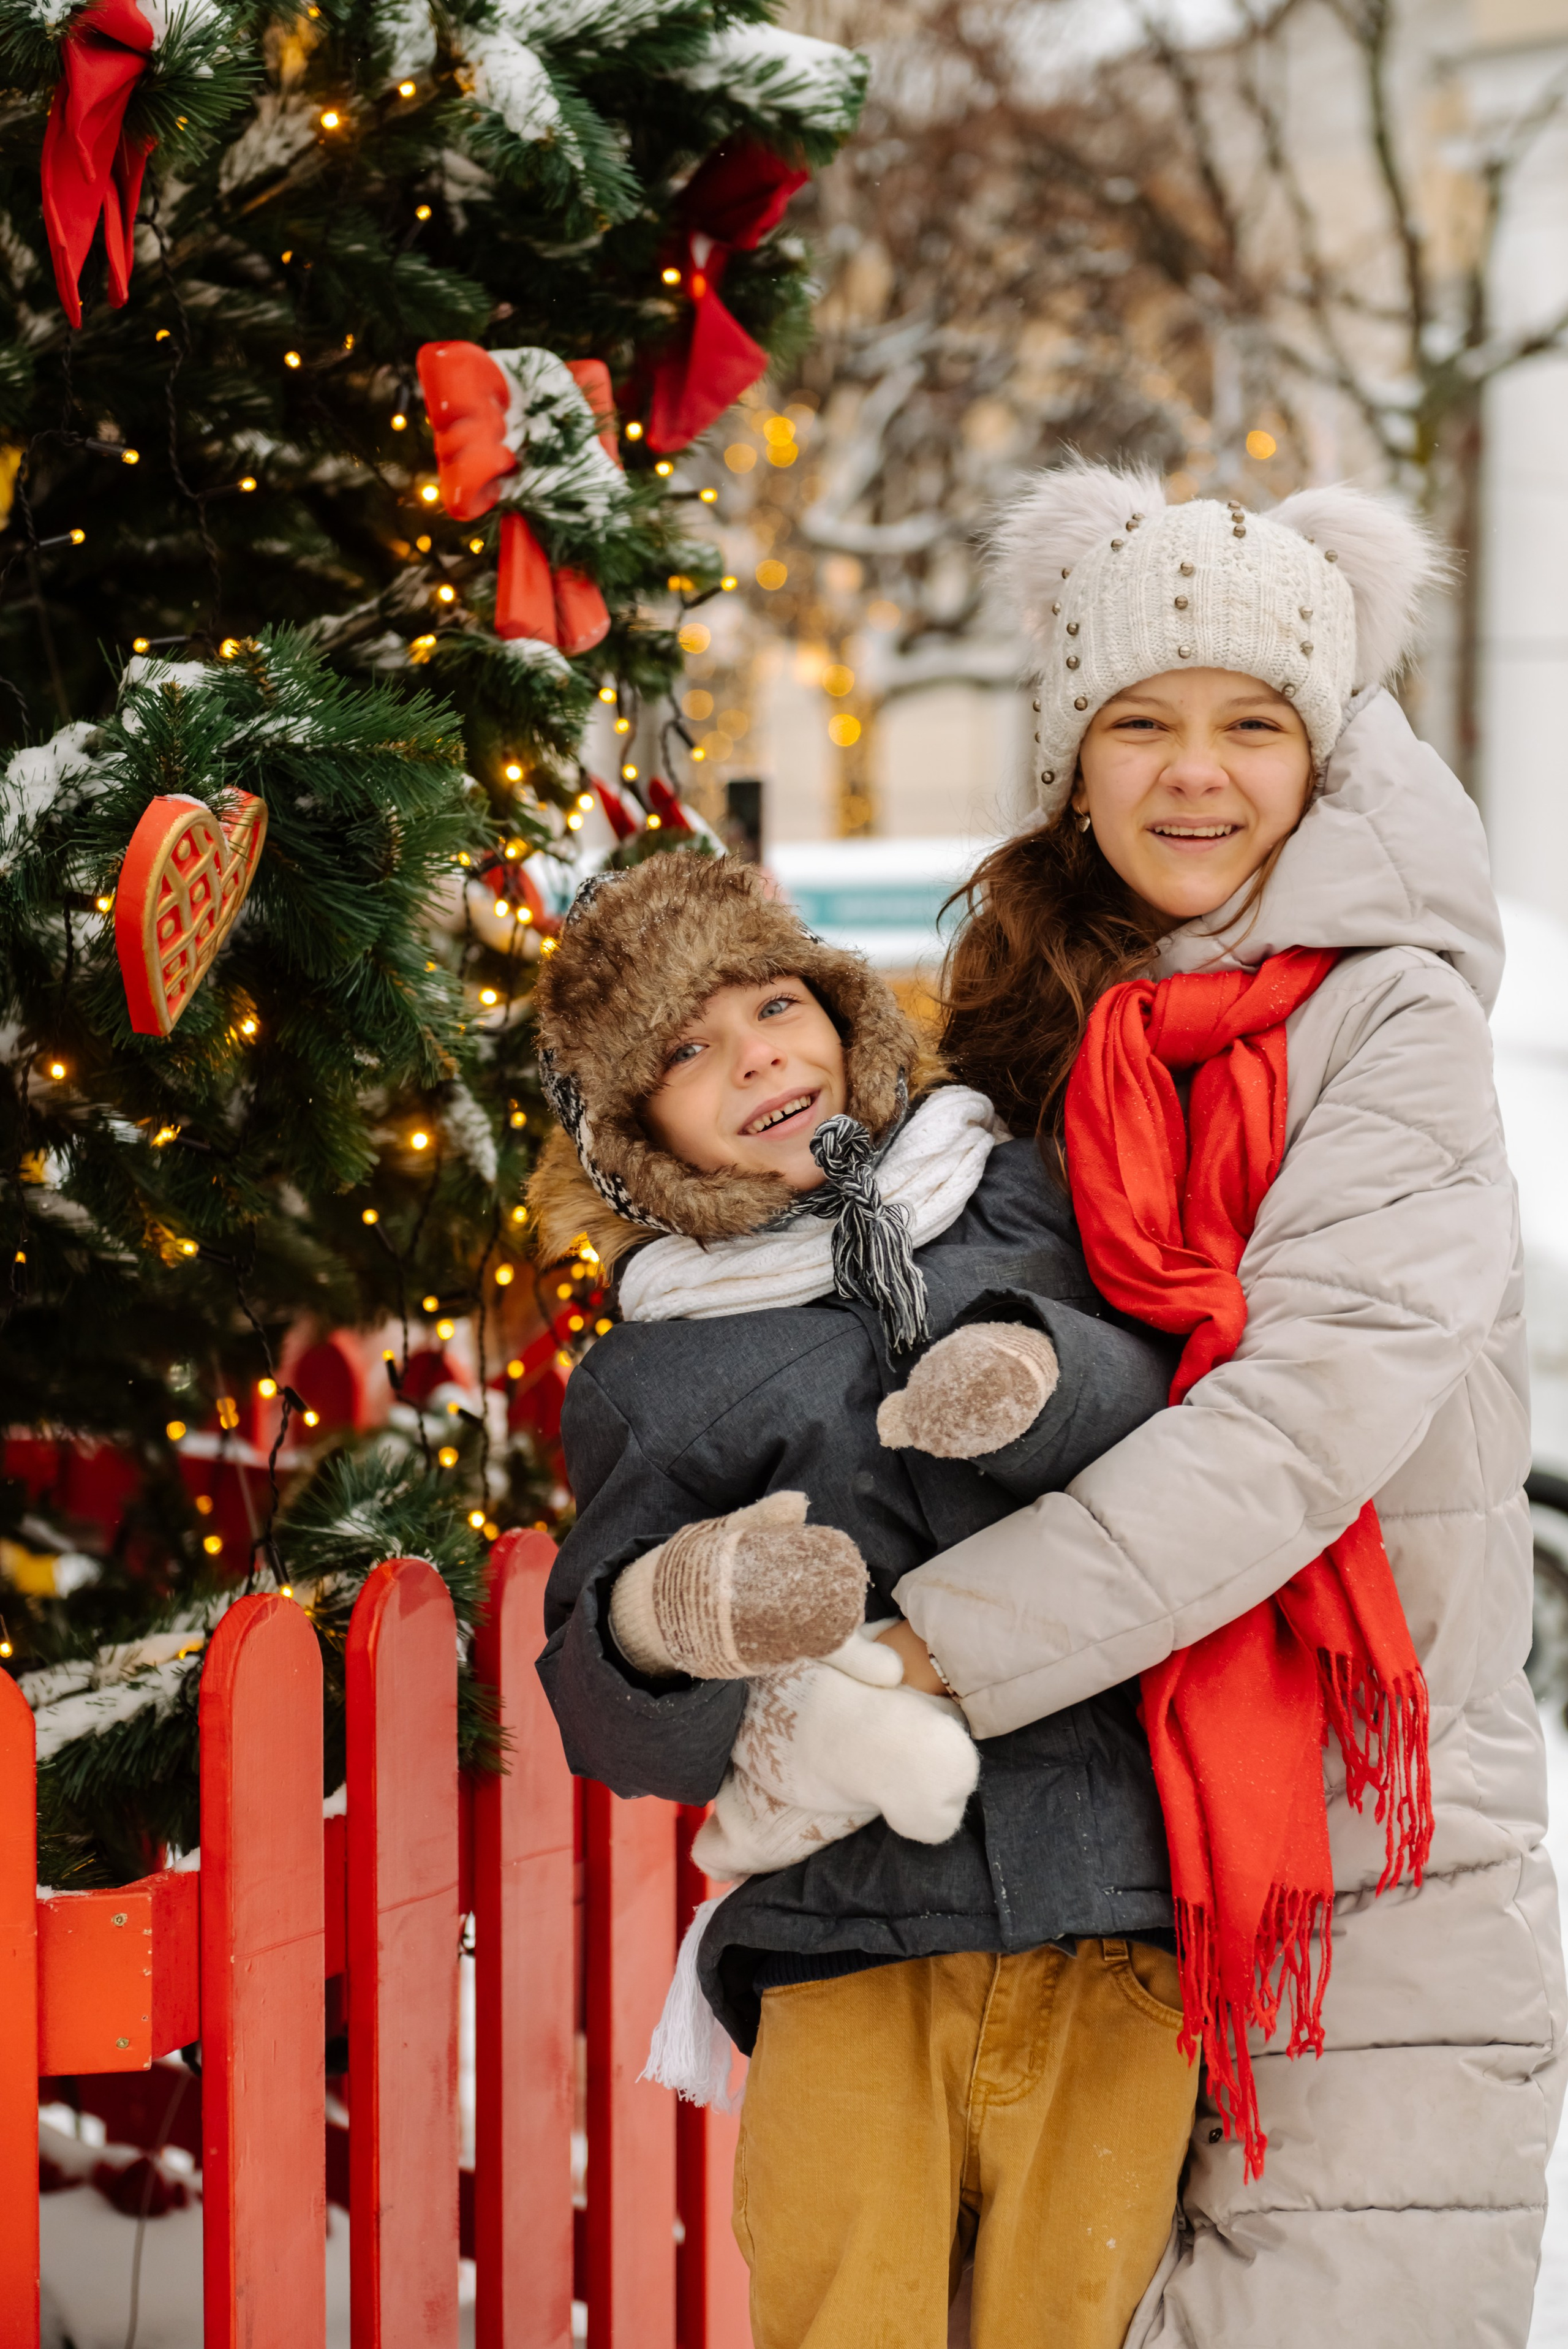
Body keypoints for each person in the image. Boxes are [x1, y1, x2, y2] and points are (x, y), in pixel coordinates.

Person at [882, 461, 1567, 2345]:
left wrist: (934, 1648)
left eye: (1254, 723)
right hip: (1092, 1846)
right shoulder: (1043, 1015)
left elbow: (1296, 1428)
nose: (1197, 774)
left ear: (1324, 748)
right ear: (1071, 759)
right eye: (1142, 721)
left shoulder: (1392, 1021)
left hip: (1370, 1861)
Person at [529, 848, 1201, 2349]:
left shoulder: (1014, 1191)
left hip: (1112, 1895)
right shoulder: (652, 1368)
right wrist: (666, 1614)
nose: (756, 1055)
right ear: (634, 1134)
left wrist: (1038, 1375)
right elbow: (602, 1705)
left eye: (776, 1004)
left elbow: (1171, 1413)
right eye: (686, 1050)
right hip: (846, 1936)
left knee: (1075, 2317)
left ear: (839, 1008)